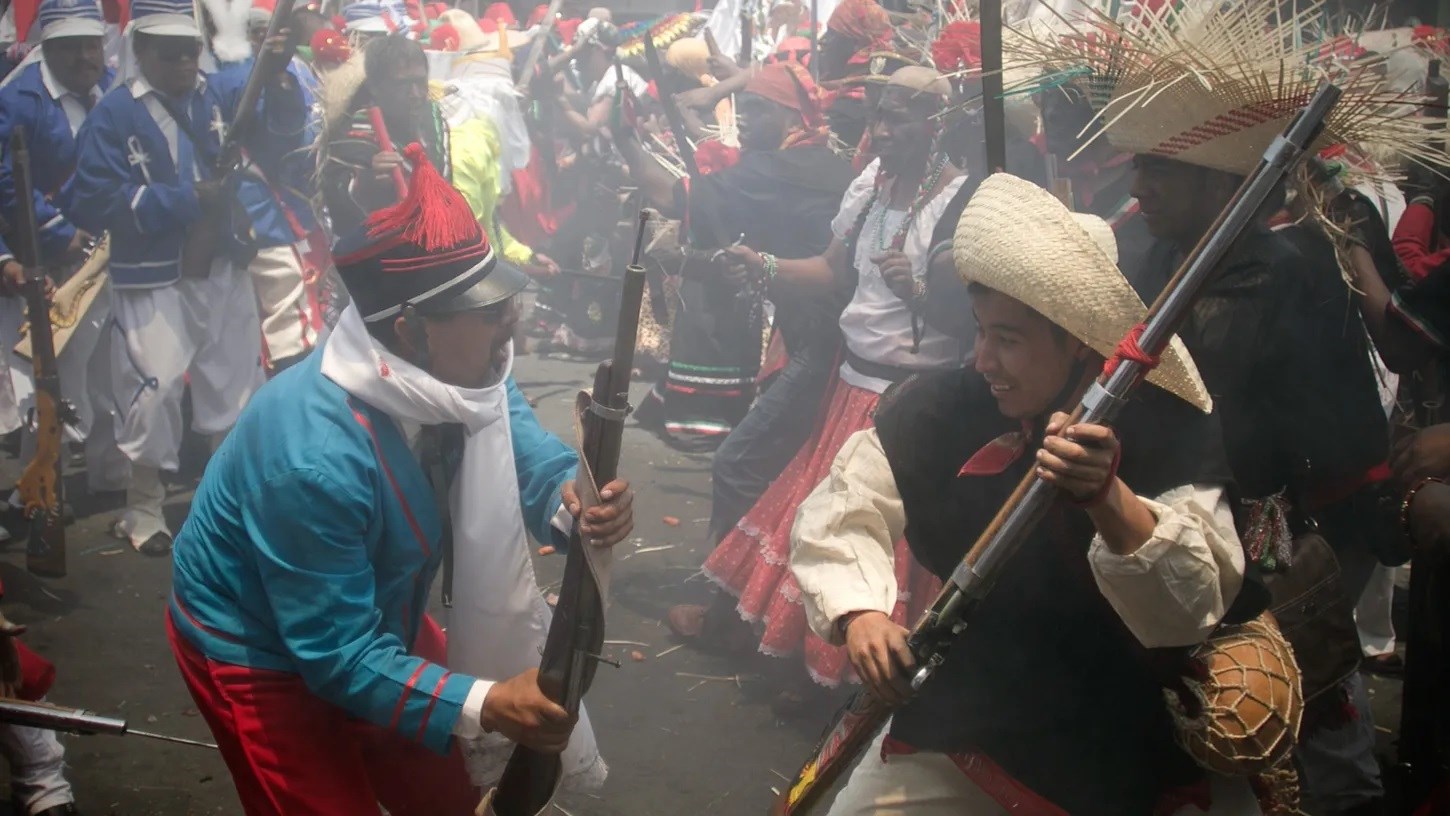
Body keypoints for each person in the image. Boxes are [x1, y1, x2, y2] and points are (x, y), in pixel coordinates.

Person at [1009, 5, 1435, 811]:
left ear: (1221, 180)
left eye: (1159, 171)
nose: (1138, 186)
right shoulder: (1158, 246)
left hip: (1289, 521)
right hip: (1201, 503)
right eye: (1139, 168)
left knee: (1299, 700)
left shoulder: (1278, 268)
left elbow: (1206, 399)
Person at [167, 154, 632, 814]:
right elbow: (335, 656)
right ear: (411, 330)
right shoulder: (312, 455)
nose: (511, 325)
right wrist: (488, 701)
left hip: (376, 610)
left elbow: (524, 447)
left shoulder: (463, 370)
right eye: (489, 311)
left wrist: (578, 501)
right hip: (260, 643)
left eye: (507, 303)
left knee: (448, 792)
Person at [793, 171, 1259, 816]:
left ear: (1075, 344)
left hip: (1112, 730)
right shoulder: (944, 406)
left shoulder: (1164, 427)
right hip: (966, 704)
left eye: (1008, 339)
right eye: (981, 331)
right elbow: (843, 510)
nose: (983, 359)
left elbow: (1190, 609)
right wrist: (860, 614)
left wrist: (1107, 498)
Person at [691, 67, 967, 693]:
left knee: (881, 541)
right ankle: (806, 663)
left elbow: (975, 319)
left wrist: (919, 293)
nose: (884, 129)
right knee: (824, 528)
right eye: (880, 115)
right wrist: (761, 264)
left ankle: (863, 685)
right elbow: (832, 273)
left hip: (911, 401)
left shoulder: (961, 201)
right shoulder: (871, 184)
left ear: (940, 125)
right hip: (848, 386)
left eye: (901, 116)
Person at [69, 0, 265, 556]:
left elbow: (262, 141)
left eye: (191, 49)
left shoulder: (215, 96)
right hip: (152, 271)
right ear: (141, 50)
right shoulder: (113, 114)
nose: (184, 61)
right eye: (171, 50)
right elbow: (93, 199)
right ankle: (144, 508)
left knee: (233, 384)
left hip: (220, 264)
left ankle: (226, 499)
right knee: (151, 390)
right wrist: (180, 201)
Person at [619, 62, 854, 454]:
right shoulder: (825, 161)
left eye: (757, 109)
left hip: (819, 330)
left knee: (741, 461)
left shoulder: (772, 170)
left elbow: (670, 198)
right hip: (832, 325)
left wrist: (624, 138)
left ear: (789, 115)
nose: (743, 118)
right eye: (741, 107)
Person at [0, 0, 127, 514]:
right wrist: (58, 232)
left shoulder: (115, 89)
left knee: (113, 375)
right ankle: (37, 490)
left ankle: (111, 477)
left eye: (91, 44)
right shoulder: (16, 100)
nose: (84, 56)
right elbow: (6, 179)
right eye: (70, 46)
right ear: (45, 48)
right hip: (52, 263)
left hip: (110, 256)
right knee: (52, 388)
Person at [211, 0, 325, 373]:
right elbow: (280, 143)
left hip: (274, 206)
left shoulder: (291, 70)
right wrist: (276, 82)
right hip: (264, 211)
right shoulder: (237, 79)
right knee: (290, 324)